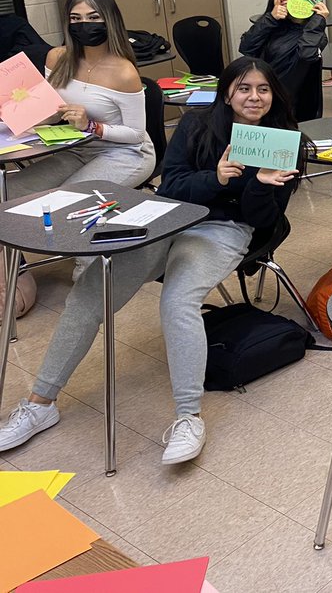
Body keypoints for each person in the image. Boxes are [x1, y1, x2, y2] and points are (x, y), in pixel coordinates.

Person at [0, 57, 303, 465]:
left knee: (178, 301)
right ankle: (40, 403)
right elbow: (172, 184)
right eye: (244, 88)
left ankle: (188, 417)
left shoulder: (285, 141)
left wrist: (261, 186)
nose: (253, 97)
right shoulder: (197, 124)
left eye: (262, 89)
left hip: (225, 228)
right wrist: (218, 178)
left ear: (274, 94)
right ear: (227, 91)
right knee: (90, 293)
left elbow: (261, 221)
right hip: (168, 214)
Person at [8, 0, 155, 197]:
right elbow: (54, 111)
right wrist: (16, 112)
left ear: (110, 21)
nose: (84, 24)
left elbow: (136, 135)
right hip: (76, 149)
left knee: (66, 199)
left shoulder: (124, 72)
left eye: (93, 17)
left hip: (124, 153)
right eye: (75, 18)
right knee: (11, 191)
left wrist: (90, 125)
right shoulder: (57, 58)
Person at [238, 0, 329, 121]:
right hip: (260, 95)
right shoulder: (272, 24)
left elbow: (306, 53)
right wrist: (270, 19)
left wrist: (318, 19)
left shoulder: (314, 32)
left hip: (291, 104)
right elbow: (246, 47)